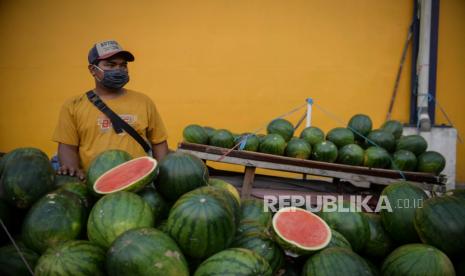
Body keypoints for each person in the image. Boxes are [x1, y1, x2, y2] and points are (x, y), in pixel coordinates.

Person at [53, 40, 169, 180]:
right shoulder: (73, 105)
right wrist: (73, 172)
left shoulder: (144, 101)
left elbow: (159, 142)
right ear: (92, 69)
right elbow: (68, 147)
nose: (119, 70)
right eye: (110, 64)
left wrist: (161, 176)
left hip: (139, 180)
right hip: (93, 182)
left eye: (123, 65)